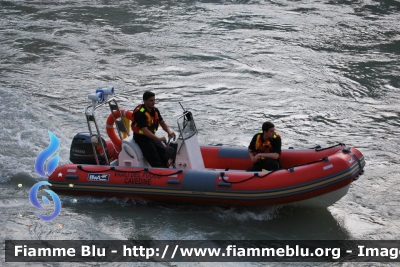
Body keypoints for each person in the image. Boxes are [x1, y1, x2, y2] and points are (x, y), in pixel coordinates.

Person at [131, 91, 176, 168]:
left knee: (164, 153)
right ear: (144, 101)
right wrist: (158, 139)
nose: (153, 102)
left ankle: (168, 169)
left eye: (154, 100)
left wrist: (169, 131)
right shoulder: (140, 113)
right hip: (142, 139)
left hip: (151, 137)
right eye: (151, 101)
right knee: (155, 158)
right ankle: (160, 172)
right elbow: (145, 131)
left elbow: (162, 122)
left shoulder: (155, 110)